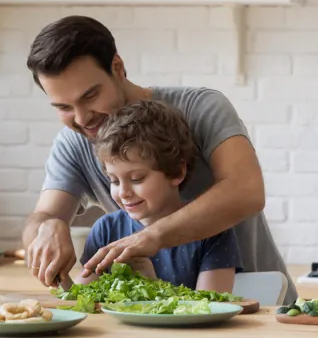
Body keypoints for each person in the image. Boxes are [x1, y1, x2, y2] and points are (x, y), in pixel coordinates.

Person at [20, 15, 298, 304]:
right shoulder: (73, 143)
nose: (81, 118)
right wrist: (47, 228)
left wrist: (151, 236)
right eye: (63, 107)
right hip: (155, 317)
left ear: (118, 68)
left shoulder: (201, 108)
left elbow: (247, 191)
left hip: (260, 309)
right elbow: (42, 217)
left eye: (90, 95)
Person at [74, 100, 243, 292]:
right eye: (114, 181)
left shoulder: (212, 231)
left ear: (177, 172)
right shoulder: (106, 229)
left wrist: (153, 286)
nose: (123, 192)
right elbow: (80, 297)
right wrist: (60, 276)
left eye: (137, 178)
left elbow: (212, 307)